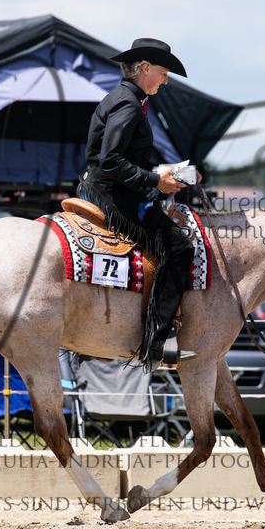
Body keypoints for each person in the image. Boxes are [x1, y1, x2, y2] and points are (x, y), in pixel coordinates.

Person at [78, 38, 197, 371]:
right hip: (111, 196)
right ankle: (156, 343)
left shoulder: (126, 100)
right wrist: (156, 181)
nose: (166, 79)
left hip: (109, 189)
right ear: (145, 69)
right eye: (163, 72)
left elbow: (116, 160)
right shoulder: (129, 105)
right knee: (180, 248)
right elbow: (110, 160)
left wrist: (160, 175)